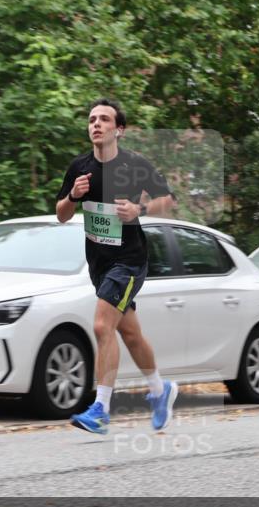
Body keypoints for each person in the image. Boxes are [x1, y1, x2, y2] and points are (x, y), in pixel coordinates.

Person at [55, 97, 178, 434]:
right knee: (130, 333)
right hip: (99, 263)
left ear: (118, 129)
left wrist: (140, 210)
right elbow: (61, 214)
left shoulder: (136, 165)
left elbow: (169, 201)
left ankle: (101, 409)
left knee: (100, 326)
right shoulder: (79, 168)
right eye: (92, 119)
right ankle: (159, 390)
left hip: (130, 260)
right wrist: (73, 198)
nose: (96, 124)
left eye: (104, 120)